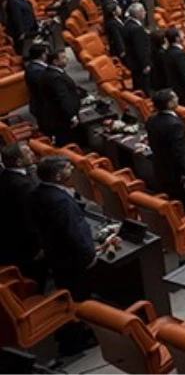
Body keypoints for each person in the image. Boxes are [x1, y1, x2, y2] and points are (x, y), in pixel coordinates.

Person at [29, 156, 97, 355]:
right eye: (68, 169)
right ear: (58, 176)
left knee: (69, 293)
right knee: (78, 297)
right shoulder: (60, 201)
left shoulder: (37, 194)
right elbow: (72, 232)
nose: (72, 171)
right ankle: (75, 340)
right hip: (72, 259)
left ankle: (72, 332)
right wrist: (89, 255)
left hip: (56, 255)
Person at [0, 143, 43, 285]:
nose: (32, 153)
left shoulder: (4, 176)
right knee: (36, 280)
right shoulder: (23, 186)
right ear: (18, 162)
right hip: (27, 246)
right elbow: (29, 219)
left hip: (10, 240)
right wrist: (38, 246)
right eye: (28, 152)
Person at [146, 89, 185, 206]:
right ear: (169, 104)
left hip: (159, 167)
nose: (178, 99)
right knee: (179, 202)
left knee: (167, 195)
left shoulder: (151, 119)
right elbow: (179, 151)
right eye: (175, 98)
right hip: (174, 173)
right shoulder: (174, 124)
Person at [39, 48, 81, 145]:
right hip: (61, 118)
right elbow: (62, 98)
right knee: (66, 141)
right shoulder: (55, 77)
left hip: (57, 115)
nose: (66, 59)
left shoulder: (52, 72)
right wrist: (72, 116)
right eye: (63, 57)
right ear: (55, 61)